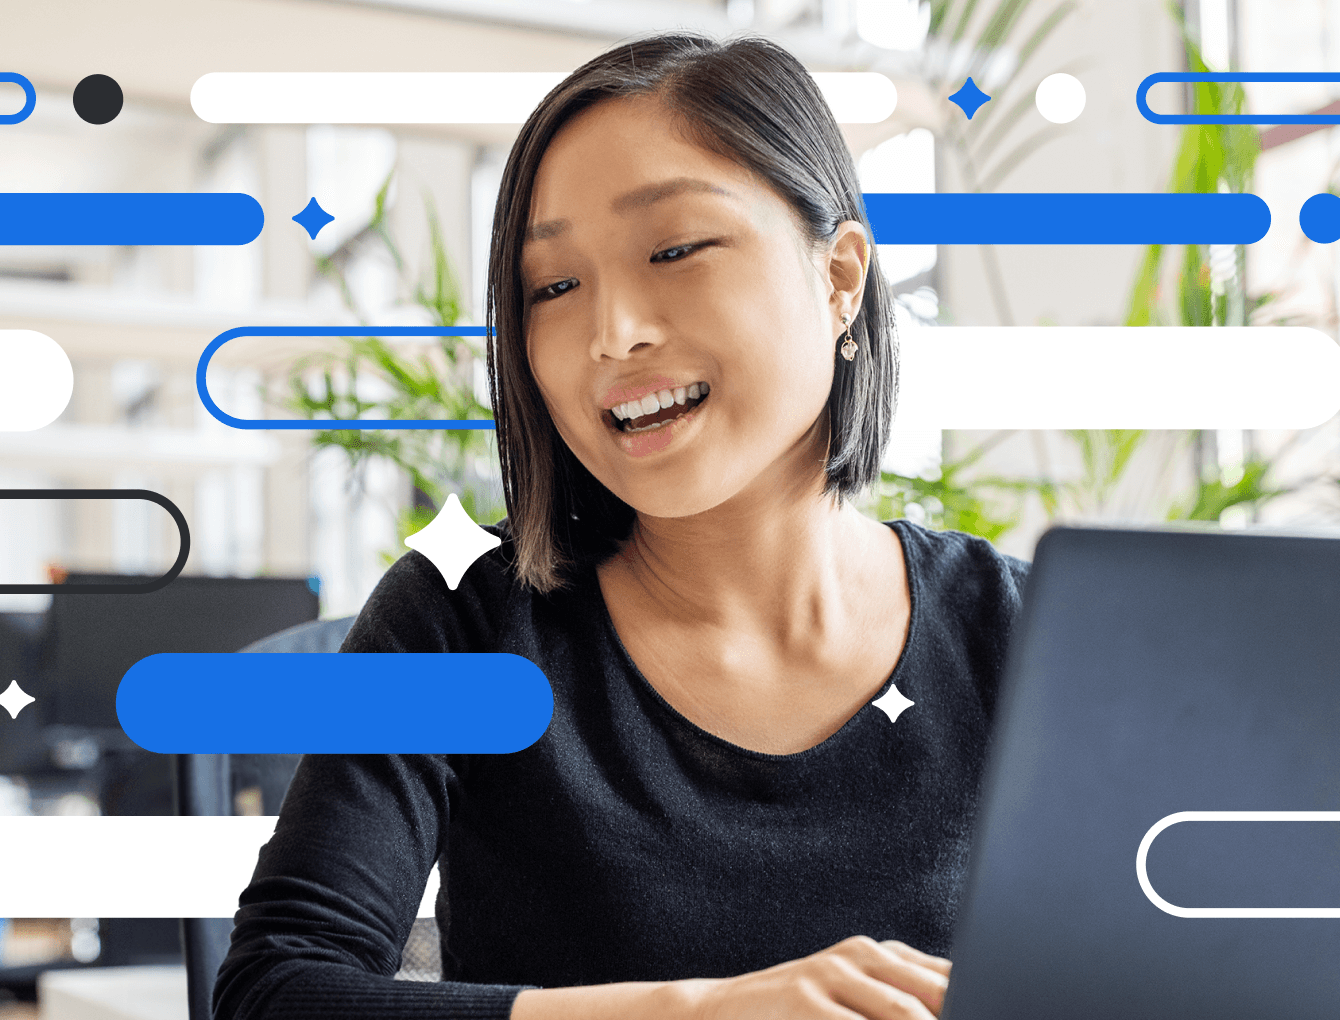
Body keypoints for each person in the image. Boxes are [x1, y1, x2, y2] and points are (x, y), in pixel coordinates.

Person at [216, 31, 1028, 1020]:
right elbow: (278, 992)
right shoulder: (459, 625)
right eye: (552, 287)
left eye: (676, 249)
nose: (611, 333)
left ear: (839, 279)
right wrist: (692, 1014)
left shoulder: (1020, 632)